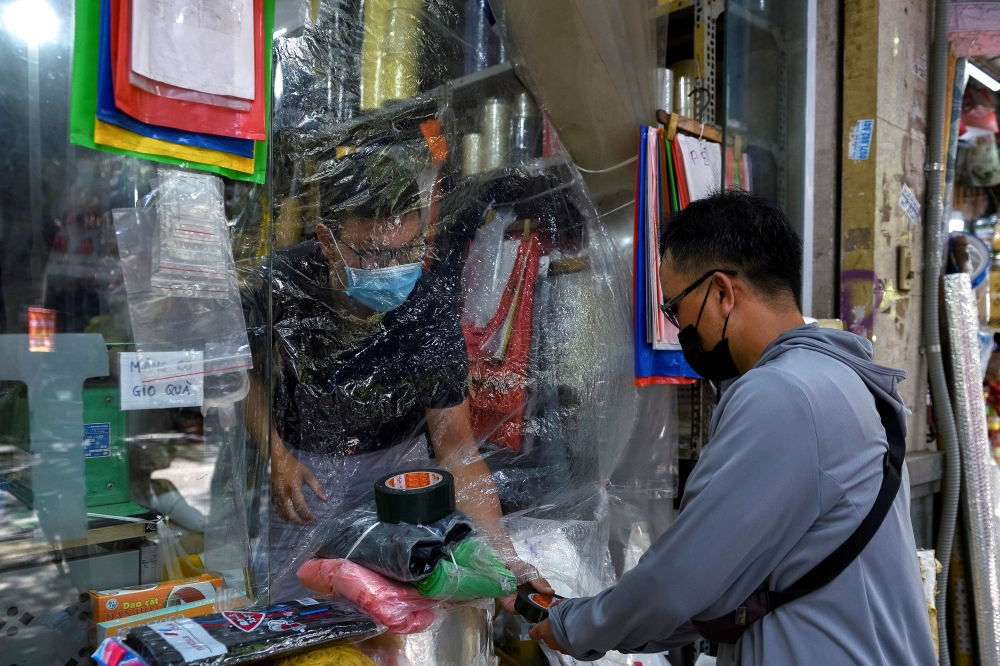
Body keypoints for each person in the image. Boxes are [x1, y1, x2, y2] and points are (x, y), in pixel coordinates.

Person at [530, 190, 937, 665]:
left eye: (675, 307)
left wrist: (571, 626)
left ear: (723, 292)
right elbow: (722, 589)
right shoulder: (837, 376)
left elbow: (678, 581)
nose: (679, 327)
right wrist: (595, 620)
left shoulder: (781, 395)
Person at [242, 140, 551, 604]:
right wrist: (276, 455)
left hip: (398, 486)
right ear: (328, 241)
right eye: (372, 255)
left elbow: (457, 449)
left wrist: (502, 562)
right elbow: (240, 375)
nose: (391, 272)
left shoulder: (427, 308)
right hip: (301, 480)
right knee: (297, 614)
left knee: (389, 619)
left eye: (406, 252)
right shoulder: (280, 285)